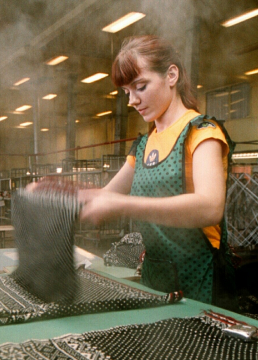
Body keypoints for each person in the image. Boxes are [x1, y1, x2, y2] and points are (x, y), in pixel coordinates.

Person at [80, 35, 236, 308]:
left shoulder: (202, 133)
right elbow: (105, 197)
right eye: (127, 92)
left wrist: (124, 205)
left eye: (140, 87)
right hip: (154, 280)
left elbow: (210, 207)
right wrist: (56, 195)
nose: (132, 100)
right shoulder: (143, 145)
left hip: (201, 283)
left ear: (171, 75)